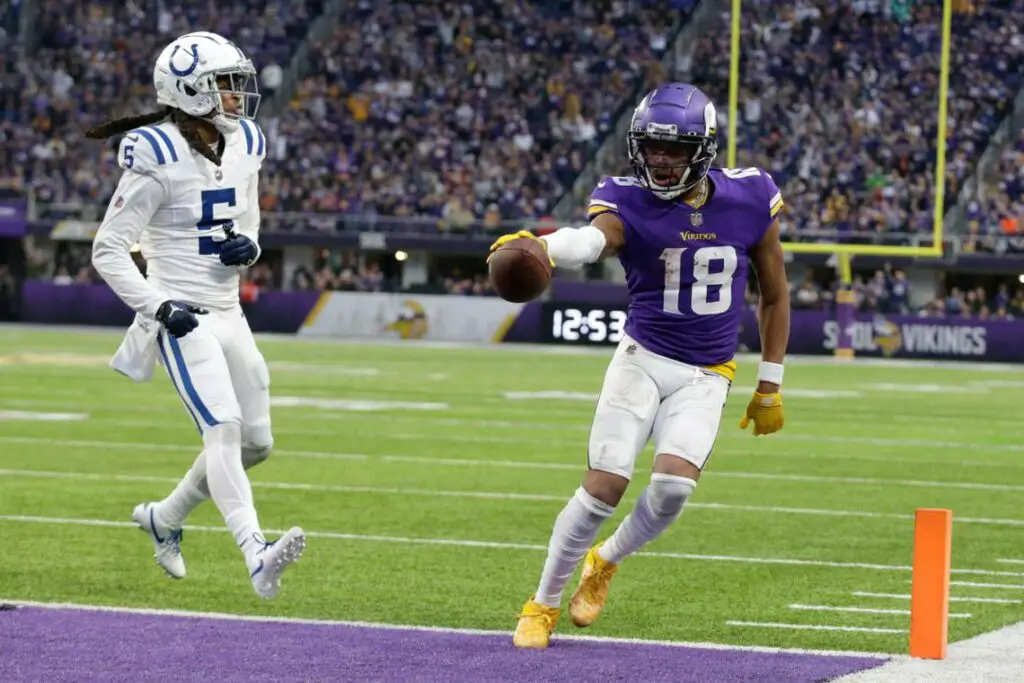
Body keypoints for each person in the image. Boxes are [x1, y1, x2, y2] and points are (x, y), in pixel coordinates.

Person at [489, 83, 790, 648]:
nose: (660, 160)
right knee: (605, 483)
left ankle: (606, 560)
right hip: (643, 359)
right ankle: (542, 604)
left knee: (674, 489)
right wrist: (546, 249)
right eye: (651, 147)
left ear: (703, 150)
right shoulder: (626, 199)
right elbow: (592, 240)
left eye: (674, 150)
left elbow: (774, 293)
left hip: (708, 373)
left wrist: (769, 384)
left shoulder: (751, 196)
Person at [89, 31, 305, 599]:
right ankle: (256, 552)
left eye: (236, 84)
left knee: (257, 442)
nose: (237, 96)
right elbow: (108, 248)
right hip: (180, 314)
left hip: (230, 310)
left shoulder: (246, 141)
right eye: (224, 85)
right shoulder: (155, 154)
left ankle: (165, 517)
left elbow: (250, 218)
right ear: (189, 92)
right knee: (224, 427)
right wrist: (157, 305)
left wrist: (251, 248)